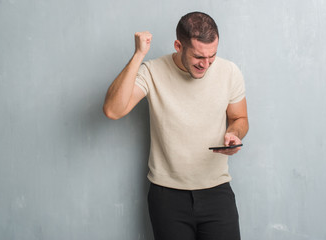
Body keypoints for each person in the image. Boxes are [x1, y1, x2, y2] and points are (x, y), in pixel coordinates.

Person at [103, 11, 248, 240]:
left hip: (216, 191)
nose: (206, 64)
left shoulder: (229, 71)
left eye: (212, 56)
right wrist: (139, 54)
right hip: (167, 197)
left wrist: (233, 133)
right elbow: (113, 110)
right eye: (199, 57)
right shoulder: (152, 71)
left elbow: (239, 118)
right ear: (179, 46)